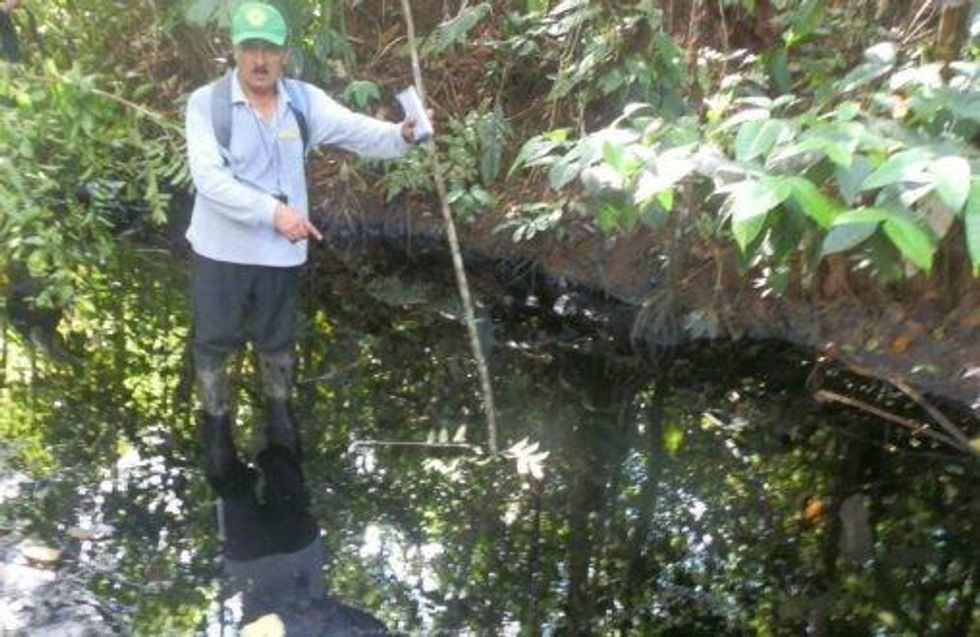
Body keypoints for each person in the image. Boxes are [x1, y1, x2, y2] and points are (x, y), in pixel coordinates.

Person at [185, 2, 418, 484]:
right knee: (213, 340)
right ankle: (215, 420)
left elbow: (358, 131)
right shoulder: (205, 105)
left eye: (269, 49)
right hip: (219, 251)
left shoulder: (304, 102)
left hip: (280, 254)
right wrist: (272, 212)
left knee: (278, 338)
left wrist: (403, 134)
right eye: (250, 49)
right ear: (234, 52)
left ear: (285, 54)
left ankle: (278, 413)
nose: (259, 60)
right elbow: (209, 181)